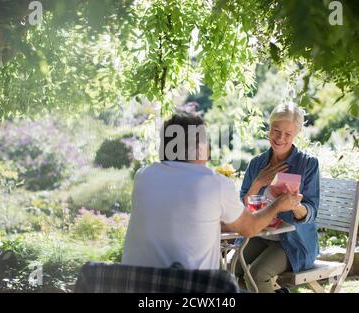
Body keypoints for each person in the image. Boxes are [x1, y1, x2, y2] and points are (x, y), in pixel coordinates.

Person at [122, 113, 302, 270]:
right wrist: (278, 205)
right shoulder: (214, 184)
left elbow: (176, 218)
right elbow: (250, 228)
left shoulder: (144, 176)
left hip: (138, 284)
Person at [237, 102, 320, 293]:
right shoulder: (257, 163)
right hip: (260, 235)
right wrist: (258, 182)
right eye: (276, 130)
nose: (280, 138)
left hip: (293, 242)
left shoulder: (308, 164)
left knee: (258, 274)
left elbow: (311, 211)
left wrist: (294, 205)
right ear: (270, 128)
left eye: (288, 134)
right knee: (229, 270)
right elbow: (243, 206)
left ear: (296, 134)